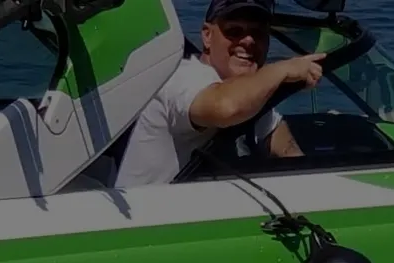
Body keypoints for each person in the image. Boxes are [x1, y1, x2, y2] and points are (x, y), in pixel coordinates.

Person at [114, 0, 326, 187]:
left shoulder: (248, 94)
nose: (248, 41)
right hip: (147, 214)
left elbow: (288, 152)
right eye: (234, 31)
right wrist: (282, 69)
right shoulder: (183, 77)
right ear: (207, 36)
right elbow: (224, 107)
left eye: (258, 33)